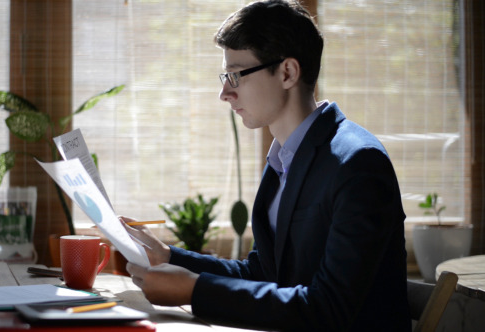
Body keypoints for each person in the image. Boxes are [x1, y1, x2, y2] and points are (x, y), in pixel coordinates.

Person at [122, 0, 410, 331]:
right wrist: (169, 257)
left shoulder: (357, 163)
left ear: (287, 72)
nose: (225, 93)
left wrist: (194, 290)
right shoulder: (284, 158)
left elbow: (330, 309)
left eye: (236, 75)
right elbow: (263, 275)